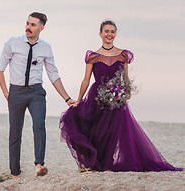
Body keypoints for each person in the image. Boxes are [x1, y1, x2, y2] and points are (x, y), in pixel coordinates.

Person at [59, 20, 182, 172]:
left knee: (113, 131)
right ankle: (95, 162)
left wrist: (127, 91)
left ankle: (108, 165)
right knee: (98, 131)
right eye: (107, 31)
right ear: (100, 34)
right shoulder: (93, 56)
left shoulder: (122, 55)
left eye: (112, 31)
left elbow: (125, 77)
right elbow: (86, 80)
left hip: (117, 98)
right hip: (97, 97)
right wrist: (78, 100)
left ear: (115, 34)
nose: (109, 34)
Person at [0, 12, 76, 178]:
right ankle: (15, 173)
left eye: (33, 25)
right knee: (15, 132)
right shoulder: (13, 43)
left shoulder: (45, 47)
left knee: (39, 125)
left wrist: (67, 99)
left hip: (36, 92)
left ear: (41, 28)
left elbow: (53, 75)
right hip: (16, 92)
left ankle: (39, 165)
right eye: (27, 23)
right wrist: (6, 93)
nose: (28, 27)